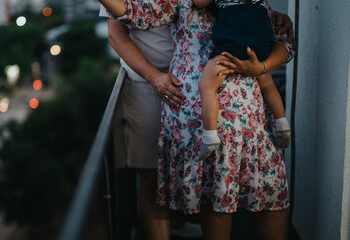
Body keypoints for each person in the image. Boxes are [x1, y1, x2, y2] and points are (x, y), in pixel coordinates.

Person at [99, 0, 294, 239]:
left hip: (248, 121)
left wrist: (262, 66)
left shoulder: (250, 3)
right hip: (197, 123)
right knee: (214, 202)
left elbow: (285, 42)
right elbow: (137, 15)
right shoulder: (180, 4)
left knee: (270, 193)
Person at [98, 7, 204, 240]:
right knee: (151, 174)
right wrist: (154, 77)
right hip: (144, 83)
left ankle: (177, 223)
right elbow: (117, 35)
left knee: (188, 165)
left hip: (193, 78)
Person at [197, 0, 291, 159]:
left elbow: (199, 3)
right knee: (267, 82)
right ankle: (282, 125)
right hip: (260, 42)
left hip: (233, 41)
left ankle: (210, 137)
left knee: (207, 86)